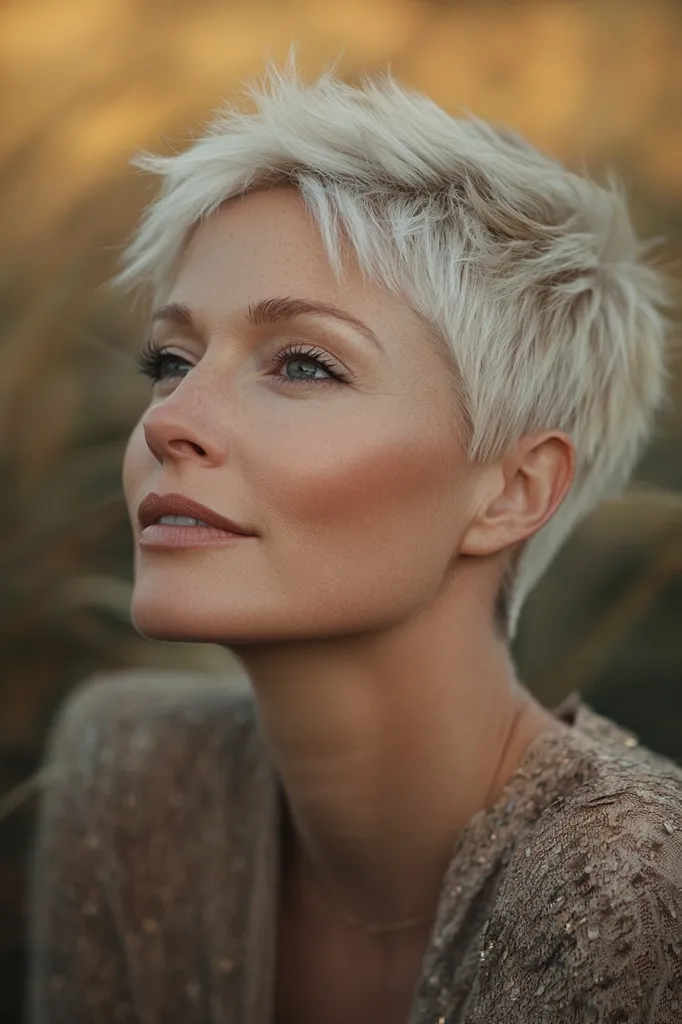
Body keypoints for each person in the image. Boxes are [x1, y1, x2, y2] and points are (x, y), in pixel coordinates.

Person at [27, 55, 682, 1023]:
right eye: (171, 359)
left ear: (511, 491)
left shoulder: (637, 885)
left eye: (302, 364)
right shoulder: (127, 770)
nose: (169, 420)